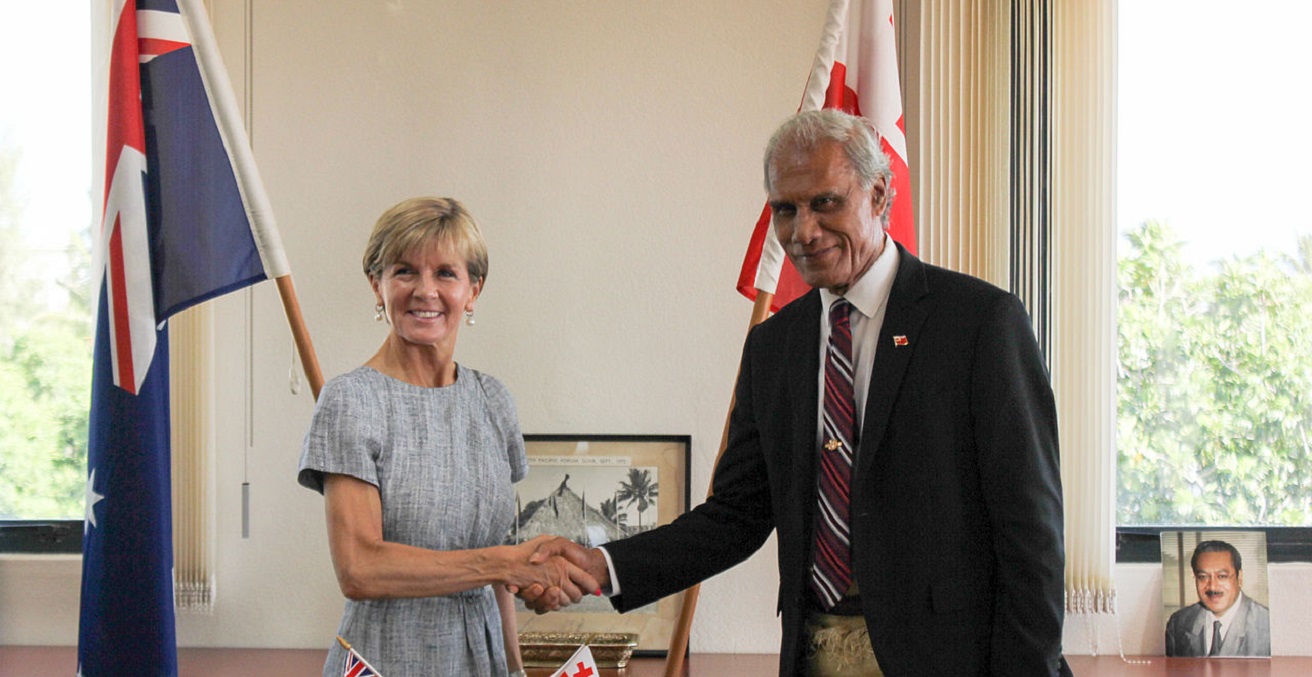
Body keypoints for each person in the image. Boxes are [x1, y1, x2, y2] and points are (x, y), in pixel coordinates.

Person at [519, 109, 1071, 676]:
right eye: (786, 209)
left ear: (879, 195)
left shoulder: (979, 323)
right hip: (814, 657)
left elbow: (1031, 531)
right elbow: (736, 515)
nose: (802, 232)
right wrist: (602, 564)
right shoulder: (774, 346)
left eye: (825, 202)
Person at [297, 197, 598, 677]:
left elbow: (504, 571)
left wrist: (516, 669)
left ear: (473, 289)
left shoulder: (493, 401)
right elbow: (359, 569)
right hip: (386, 660)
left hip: (485, 663)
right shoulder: (350, 401)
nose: (425, 291)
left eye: (445, 273)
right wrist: (504, 563)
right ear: (377, 285)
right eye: (404, 271)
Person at [1165, 540, 1271, 657]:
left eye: (1222, 576)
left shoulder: (1267, 625)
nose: (1213, 587)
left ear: (1239, 577)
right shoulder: (1178, 623)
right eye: (1203, 577)